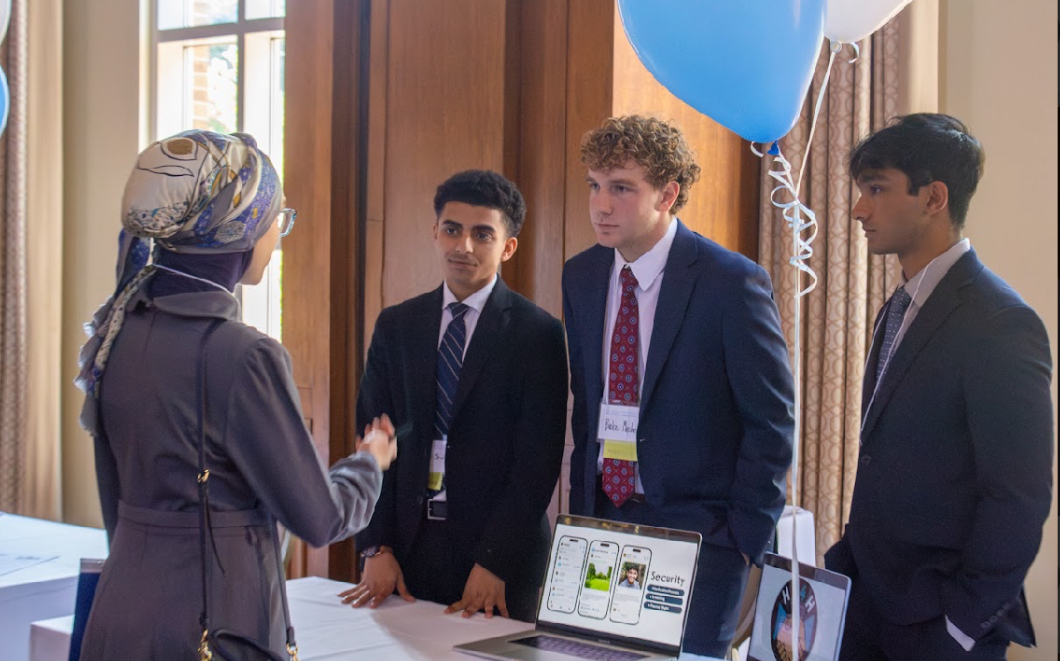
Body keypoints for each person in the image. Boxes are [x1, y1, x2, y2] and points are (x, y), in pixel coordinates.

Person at [74, 130, 396, 659]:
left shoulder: (117, 332)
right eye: (279, 218)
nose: (278, 234)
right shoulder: (244, 355)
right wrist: (368, 463)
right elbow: (317, 517)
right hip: (210, 626)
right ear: (242, 229)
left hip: (119, 612)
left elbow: (115, 493)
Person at [562, 115, 795, 657]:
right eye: (595, 185)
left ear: (668, 193)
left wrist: (742, 542)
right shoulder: (582, 275)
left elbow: (772, 422)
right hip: (604, 522)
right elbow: (586, 404)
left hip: (702, 536)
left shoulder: (730, 282)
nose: (601, 204)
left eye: (621, 188)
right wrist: (578, 522)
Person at [825, 113, 1053, 661]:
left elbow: (1018, 496)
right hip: (871, 604)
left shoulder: (999, 320)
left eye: (876, 189)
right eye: (861, 191)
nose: (859, 209)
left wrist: (960, 625)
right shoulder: (899, 307)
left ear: (934, 198)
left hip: (937, 624)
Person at [341, 170, 568, 621]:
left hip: (497, 561)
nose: (463, 246)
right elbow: (371, 436)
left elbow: (536, 465)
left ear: (508, 247)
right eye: (452, 230)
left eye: (482, 234)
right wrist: (376, 544)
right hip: (405, 548)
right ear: (435, 232)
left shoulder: (538, 334)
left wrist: (494, 561)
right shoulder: (397, 325)